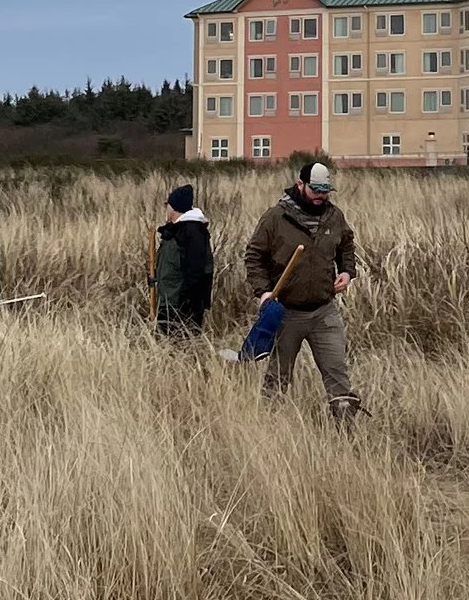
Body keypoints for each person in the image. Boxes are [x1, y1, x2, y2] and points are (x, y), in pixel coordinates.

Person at [242, 158, 359, 420]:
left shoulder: (334, 215)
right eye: (315, 190)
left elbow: (346, 245)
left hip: (324, 311)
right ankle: (271, 429)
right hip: (286, 312)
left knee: (338, 374)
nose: (320, 196)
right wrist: (263, 292)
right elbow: (253, 256)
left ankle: (346, 433)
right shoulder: (276, 217)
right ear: (300, 184)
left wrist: (346, 272)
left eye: (325, 191)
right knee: (277, 379)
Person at [152, 180, 214, 340]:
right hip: (169, 301)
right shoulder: (177, 230)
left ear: (174, 208)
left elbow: (195, 271)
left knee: (180, 347)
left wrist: (186, 303)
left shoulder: (191, 233)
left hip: (180, 306)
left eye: (168, 205)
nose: (166, 209)